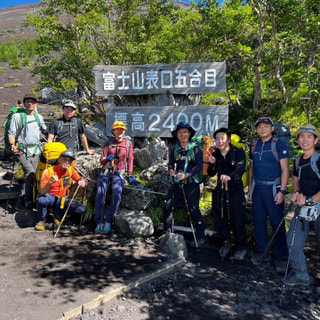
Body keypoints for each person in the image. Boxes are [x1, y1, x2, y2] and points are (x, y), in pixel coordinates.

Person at [248, 117, 289, 273]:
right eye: (260, 127)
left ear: (272, 128)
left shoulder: (279, 144)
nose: (263, 129)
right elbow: (251, 167)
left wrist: (282, 191)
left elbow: (285, 169)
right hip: (258, 188)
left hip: (274, 188)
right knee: (259, 222)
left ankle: (282, 258)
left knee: (277, 223)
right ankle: (262, 252)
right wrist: (250, 188)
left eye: (266, 126)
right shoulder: (254, 146)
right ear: (257, 130)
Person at [283, 124, 320, 286]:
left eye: (309, 137)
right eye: (301, 137)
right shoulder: (298, 160)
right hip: (303, 208)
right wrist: (296, 193)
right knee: (292, 241)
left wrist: (310, 200)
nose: (305, 140)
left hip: (316, 206)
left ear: (316, 140)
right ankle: (302, 276)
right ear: (297, 140)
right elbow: (296, 181)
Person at [207, 128, 247, 259]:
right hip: (220, 189)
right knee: (219, 216)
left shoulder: (238, 152)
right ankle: (226, 242)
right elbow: (212, 172)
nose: (219, 141)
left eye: (222, 138)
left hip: (235, 189)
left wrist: (230, 176)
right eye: (217, 139)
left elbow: (241, 168)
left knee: (237, 217)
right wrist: (212, 164)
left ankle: (241, 246)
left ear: (228, 140)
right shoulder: (215, 154)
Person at [163, 122, 205, 247]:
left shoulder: (195, 148)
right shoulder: (175, 149)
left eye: (185, 132)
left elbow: (199, 165)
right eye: (180, 132)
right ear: (177, 134)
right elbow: (170, 163)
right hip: (177, 182)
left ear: (189, 133)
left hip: (191, 183)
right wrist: (171, 170)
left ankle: (200, 236)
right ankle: (167, 233)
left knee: (193, 209)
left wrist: (186, 175)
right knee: (168, 205)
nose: (183, 134)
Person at [8, 93, 47, 209]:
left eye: (32, 101)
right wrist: (12, 144)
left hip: (35, 150)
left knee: (33, 176)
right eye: (28, 101)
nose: (30, 103)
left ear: (36, 104)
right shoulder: (18, 117)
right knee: (30, 173)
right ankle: (29, 202)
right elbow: (12, 133)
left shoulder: (39, 117)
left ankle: (21, 202)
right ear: (24, 103)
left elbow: (45, 129)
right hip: (22, 150)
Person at [95, 121, 134, 234]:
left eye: (121, 129)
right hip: (107, 172)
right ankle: (99, 222)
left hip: (119, 173)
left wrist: (130, 175)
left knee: (117, 193)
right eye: (117, 129)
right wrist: (107, 159)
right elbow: (102, 160)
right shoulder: (108, 143)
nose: (119, 131)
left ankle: (108, 220)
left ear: (124, 131)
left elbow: (130, 159)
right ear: (113, 131)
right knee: (101, 193)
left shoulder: (128, 144)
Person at [35, 150, 87, 231]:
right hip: (50, 198)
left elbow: (80, 180)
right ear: (59, 160)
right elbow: (42, 192)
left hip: (62, 199)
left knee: (81, 209)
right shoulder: (48, 172)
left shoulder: (70, 170)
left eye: (69, 161)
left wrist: (83, 182)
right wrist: (50, 183)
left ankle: (57, 212)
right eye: (64, 159)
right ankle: (41, 221)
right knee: (42, 199)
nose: (67, 162)